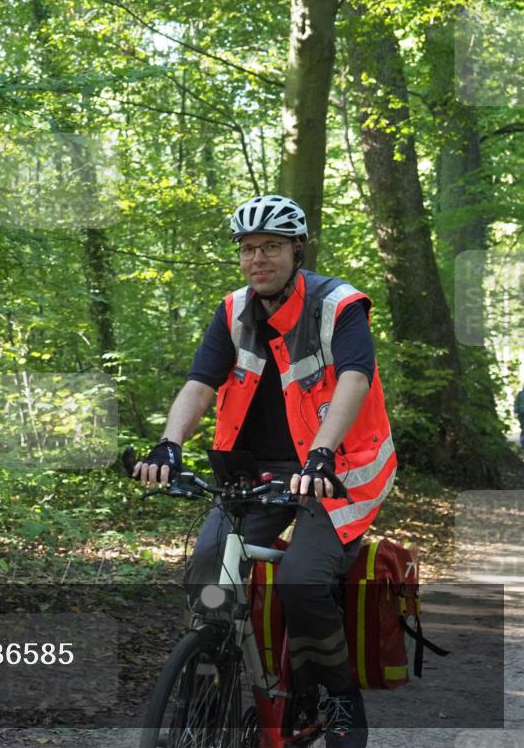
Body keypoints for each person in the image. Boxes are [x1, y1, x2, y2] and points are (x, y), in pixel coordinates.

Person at [133, 195, 396, 748]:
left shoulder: (338, 305)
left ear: (296, 250)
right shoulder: (232, 311)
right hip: (256, 472)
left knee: (301, 580)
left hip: (340, 467)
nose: (259, 258)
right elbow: (201, 383)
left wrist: (322, 454)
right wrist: (168, 444)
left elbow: (354, 376)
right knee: (209, 567)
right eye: (249, 249)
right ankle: (211, 674)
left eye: (272, 247)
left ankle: (338, 695)